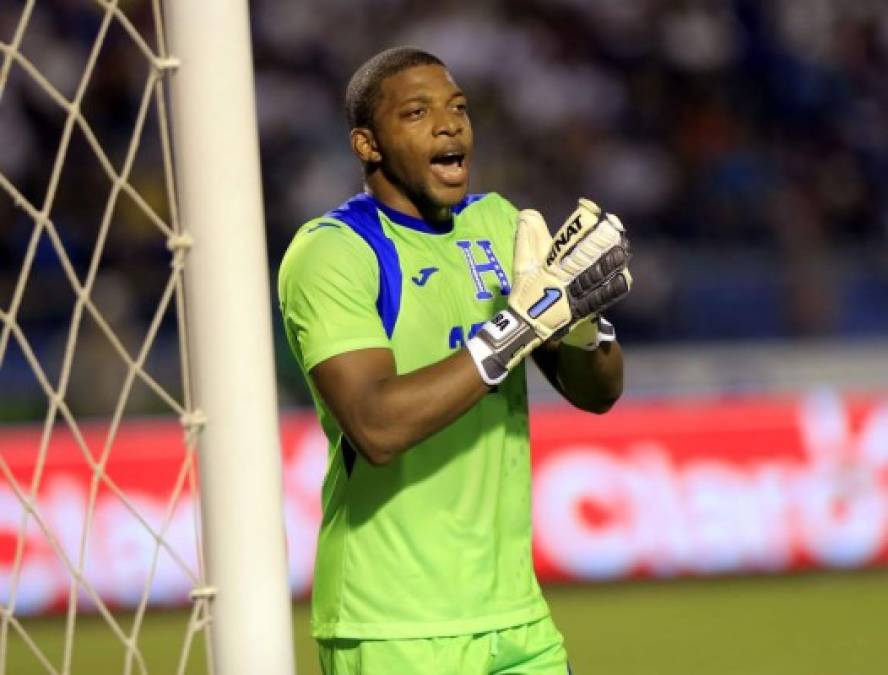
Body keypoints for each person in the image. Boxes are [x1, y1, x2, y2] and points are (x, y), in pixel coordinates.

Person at [278, 46, 631, 675]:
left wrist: (575, 321)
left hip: (516, 617)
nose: (449, 125)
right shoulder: (333, 252)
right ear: (368, 144)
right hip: (393, 626)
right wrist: (519, 323)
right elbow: (377, 426)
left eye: (459, 109)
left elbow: (598, 391)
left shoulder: (497, 224)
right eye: (417, 113)